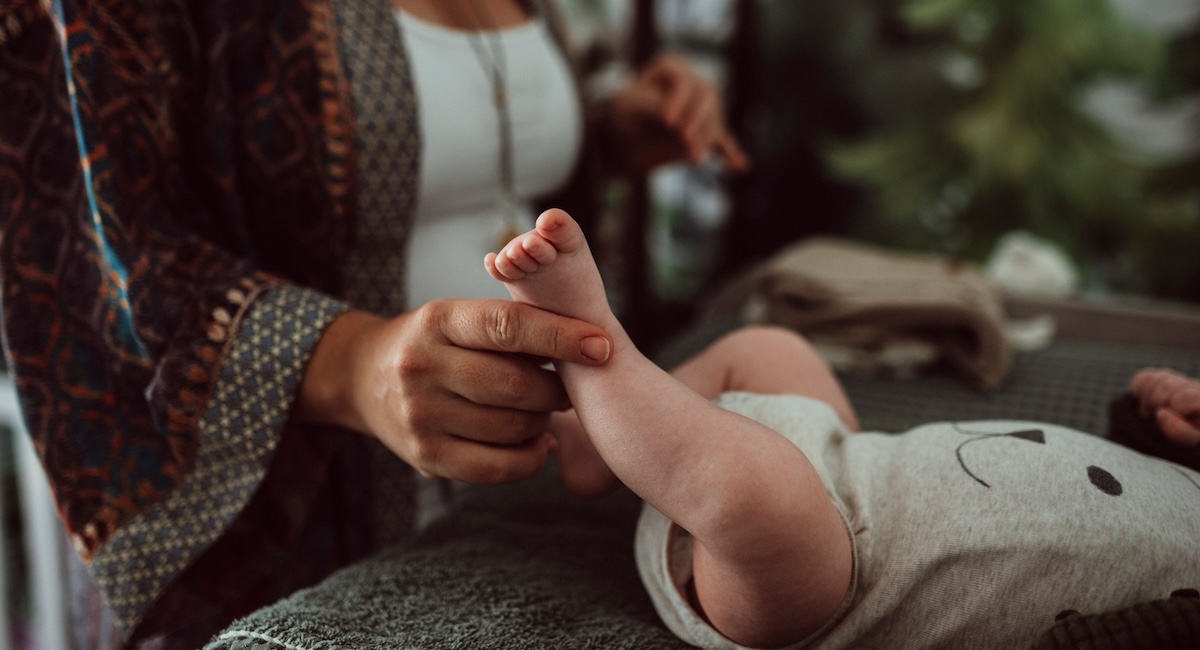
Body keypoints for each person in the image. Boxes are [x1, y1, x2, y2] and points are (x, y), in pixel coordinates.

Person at [0, 0, 745, 644]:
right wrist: (356, 365)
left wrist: (603, 131)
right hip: (307, 523)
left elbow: (461, 151)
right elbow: (76, 242)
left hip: (526, 497)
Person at [485, 208, 1200, 649]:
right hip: (848, 460)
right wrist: (1164, 422)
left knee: (757, 491)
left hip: (837, 581)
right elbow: (1139, 450)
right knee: (774, 349)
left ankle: (594, 348)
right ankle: (598, 444)